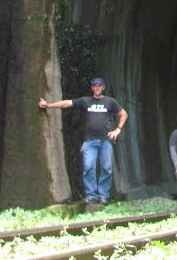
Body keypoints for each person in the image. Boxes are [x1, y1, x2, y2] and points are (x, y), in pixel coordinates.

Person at [39, 77, 128, 208]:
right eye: (94, 86)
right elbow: (67, 103)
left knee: (106, 168)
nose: (97, 88)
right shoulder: (86, 101)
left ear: (103, 87)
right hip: (89, 142)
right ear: (92, 88)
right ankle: (91, 196)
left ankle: (103, 195)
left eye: (99, 86)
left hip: (106, 141)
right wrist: (48, 105)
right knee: (88, 167)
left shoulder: (110, 102)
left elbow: (124, 114)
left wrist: (118, 129)